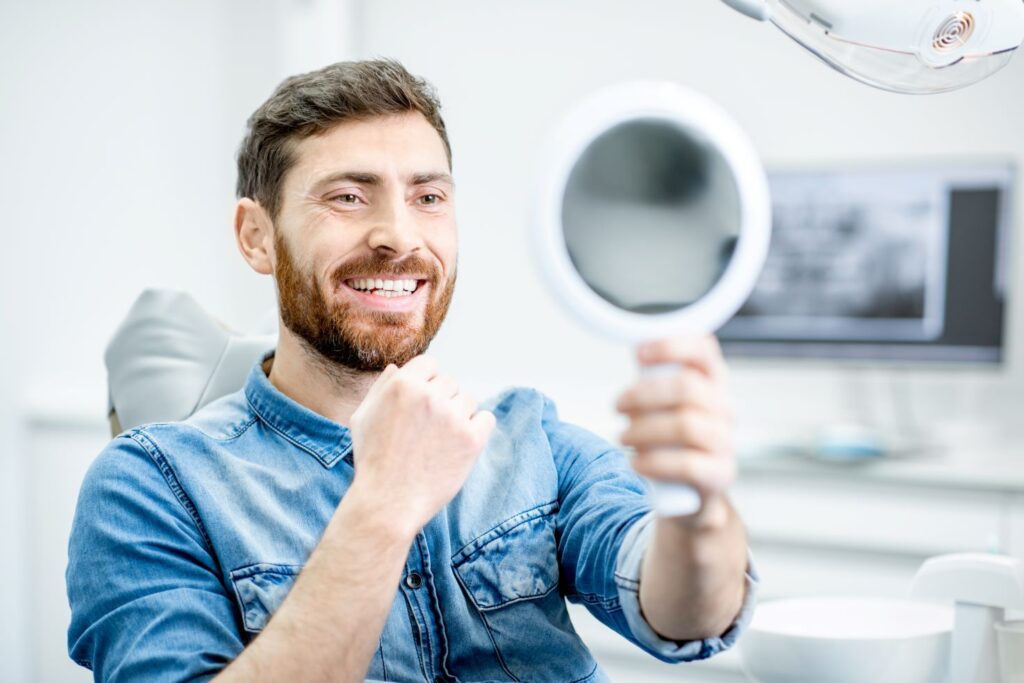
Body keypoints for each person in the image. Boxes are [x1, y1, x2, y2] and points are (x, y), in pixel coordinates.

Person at [66, 59, 757, 683]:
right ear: (256, 235)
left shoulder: (530, 437)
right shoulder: (150, 486)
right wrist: (382, 507)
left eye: (428, 197)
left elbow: (686, 615)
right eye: (347, 196)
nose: (400, 235)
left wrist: (694, 507)